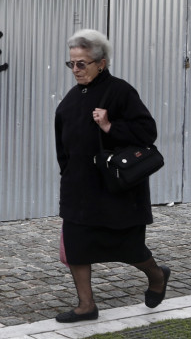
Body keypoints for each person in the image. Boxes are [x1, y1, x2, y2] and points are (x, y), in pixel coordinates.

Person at [53, 29, 170, 323]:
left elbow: (147, 132)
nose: (76, 70)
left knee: (128, 247)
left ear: (101, 63)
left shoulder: (120, 91)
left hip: (114, 188)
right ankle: (86, 306)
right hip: (79, 186)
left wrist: (109, 127)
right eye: (72, 64)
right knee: (77, 246)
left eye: (82, 64)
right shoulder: (72, 97)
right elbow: (62, 140)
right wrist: (66, 172)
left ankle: (156, 276)